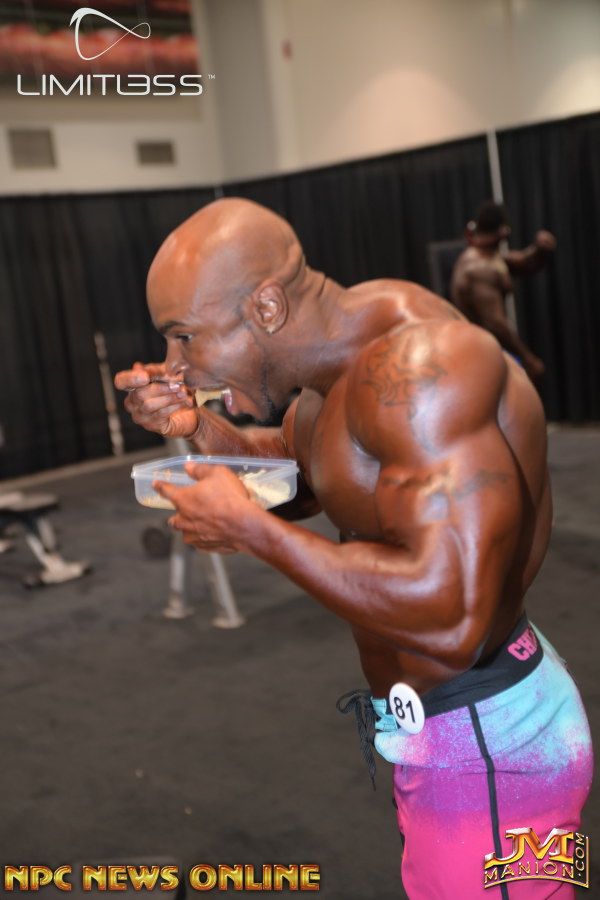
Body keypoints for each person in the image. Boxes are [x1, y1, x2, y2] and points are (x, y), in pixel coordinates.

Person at [115, 198, 591, 899]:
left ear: (266, 308)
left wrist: (254, 533)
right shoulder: (335, 367)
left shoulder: (420, 371)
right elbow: (305, 480)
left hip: (490, 744)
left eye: (185, 338)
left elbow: (454, 619)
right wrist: (198, 426)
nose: (174, 366)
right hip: (454, 732)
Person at [450, 200, 556, 383]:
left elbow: (522, 263)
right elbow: (495, 323)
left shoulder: (489, 258)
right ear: (503, 232)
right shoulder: (479, 268)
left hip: (487, 350)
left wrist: (541, 251)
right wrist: (528, 359)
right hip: (480, 357)